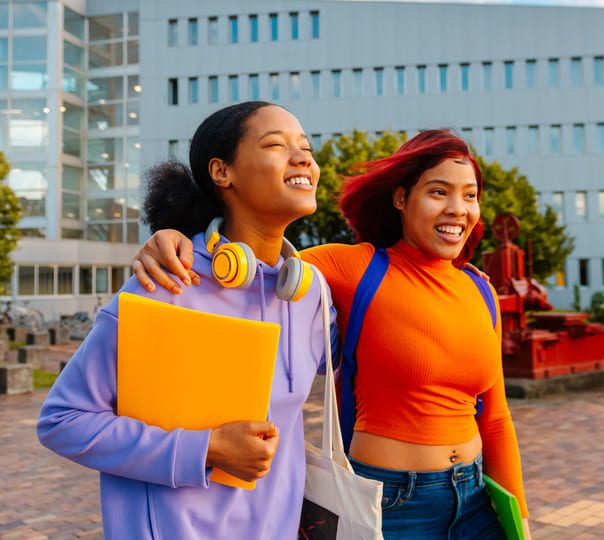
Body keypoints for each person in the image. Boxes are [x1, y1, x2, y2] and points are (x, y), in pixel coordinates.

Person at [133, 129, 533, 539]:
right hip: (392, 504)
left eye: (469, 196)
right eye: (438, 192)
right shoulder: (355, 268)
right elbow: (248, 262)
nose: (457, 209)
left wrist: (518, 521)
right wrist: (178, 237)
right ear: (400, 198)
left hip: (476, 501)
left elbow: (497, 418)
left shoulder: (480, 290)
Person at [37, 102, 336, 540]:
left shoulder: (311, 294)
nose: (303, 158)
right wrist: (206, 448)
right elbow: (63, 420)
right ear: (222, 172)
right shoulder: (166, 280)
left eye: (306, 148)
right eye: (275, 145)